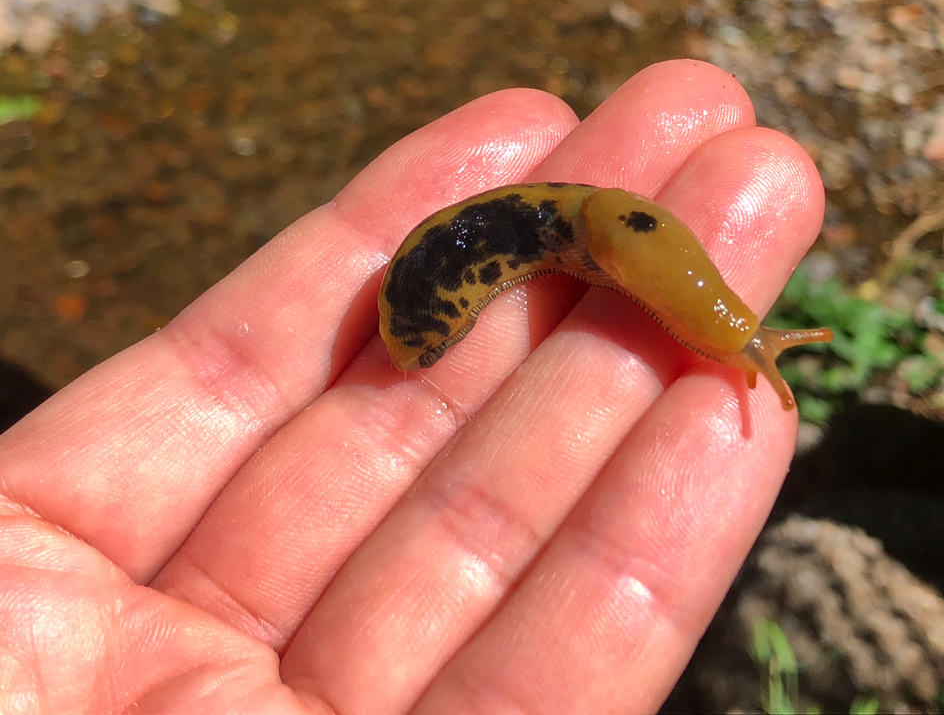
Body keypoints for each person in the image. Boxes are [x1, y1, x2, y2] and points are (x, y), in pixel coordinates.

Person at [0, 59, 823, 712]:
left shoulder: (602, 234)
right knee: (447, 285)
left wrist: (722, 320)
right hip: (427, 294)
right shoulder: (559, 233)